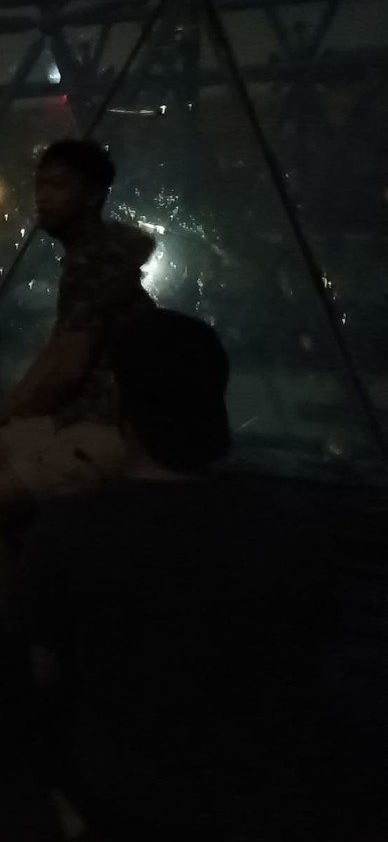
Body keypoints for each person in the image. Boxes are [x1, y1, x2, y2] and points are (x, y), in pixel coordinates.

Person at [18, 309, 336, 841]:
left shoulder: (73, 529)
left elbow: (43, 671)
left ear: (119, 400)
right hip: (259, 795)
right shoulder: (290, 525)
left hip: (124, 794)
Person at [0, 140, 155, 629]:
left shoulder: (94, 264)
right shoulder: (89, 257)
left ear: (92, 195)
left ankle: (22, 636)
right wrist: (2, 416)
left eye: (58, 185)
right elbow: (59, 352)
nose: (43, 195)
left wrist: (4, 417)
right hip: (77, 414)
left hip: (106, 426)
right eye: (40, 184)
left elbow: (68, 370)